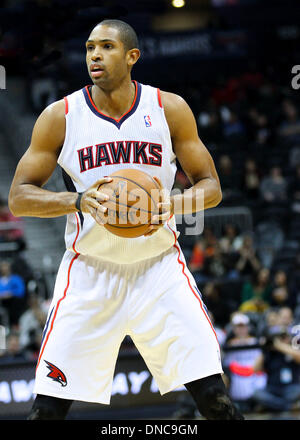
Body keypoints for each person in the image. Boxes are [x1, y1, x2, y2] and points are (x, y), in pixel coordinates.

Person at [8, 19, 243, 420]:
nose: (94, 56)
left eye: (106, 47)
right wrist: (79, 200)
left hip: (159, 270)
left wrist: (171, 205)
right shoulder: (60, 115)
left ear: (132, 56)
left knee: (215, 401)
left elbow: (211, 187)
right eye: (88, 48)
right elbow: (19, 198)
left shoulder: (168, 108)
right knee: (46, 411)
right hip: (89, 273)